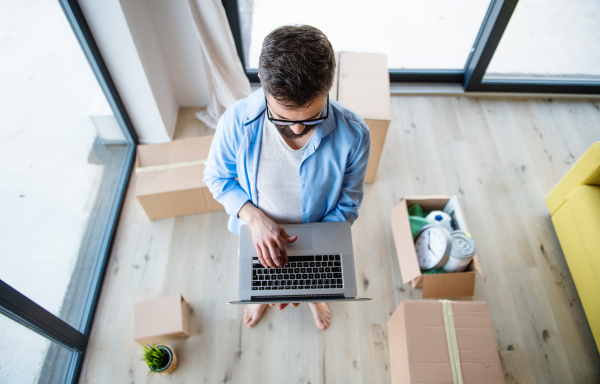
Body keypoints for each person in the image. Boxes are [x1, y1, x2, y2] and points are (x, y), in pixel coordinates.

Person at [204, 25, 370, 330]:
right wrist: (255, 220)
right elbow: (217, 178)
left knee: (308, 288)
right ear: (264, 88)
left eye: (312, 118)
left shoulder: (355, 135)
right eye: (282, 119)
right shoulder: (234, 123)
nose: (296, 130)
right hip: (257, 234)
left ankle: (313, 298)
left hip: (320, 233)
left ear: (328, 89)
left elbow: (348, 204)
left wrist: (309, 255)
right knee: (262, 288)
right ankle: (265, 296)